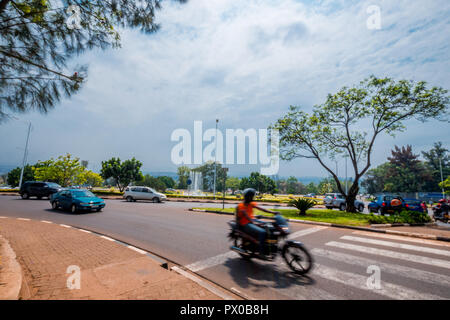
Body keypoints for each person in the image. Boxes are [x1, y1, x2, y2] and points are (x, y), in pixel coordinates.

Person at [236, 188, 279, 258]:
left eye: (252, 196)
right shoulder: (241, 206)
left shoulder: (251, 204)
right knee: (262, 232)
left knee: (270, 226)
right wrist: (255, 223)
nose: (252, 198)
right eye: (251, 196)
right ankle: (261, 252)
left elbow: (262, 209)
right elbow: (247, 216)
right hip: (245, 224)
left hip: (252, 220)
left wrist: (273, 212)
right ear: (247, 197)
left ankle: (269, 245)